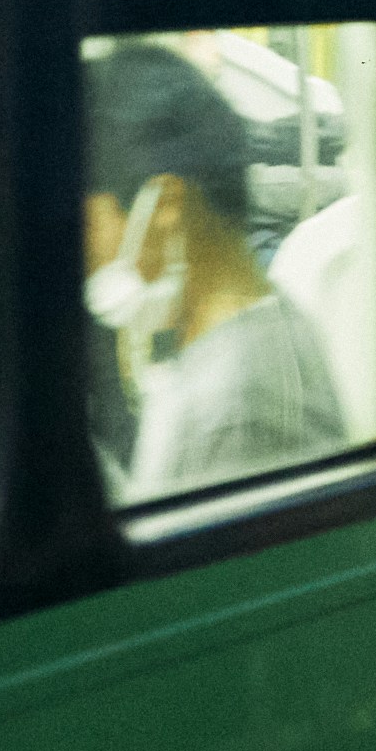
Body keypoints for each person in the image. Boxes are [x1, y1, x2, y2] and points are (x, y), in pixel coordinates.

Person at [85, 40, 348, 498]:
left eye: (87, 223)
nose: (84, 257)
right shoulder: (242, 336)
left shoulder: (237, 411)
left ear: (163, 205)